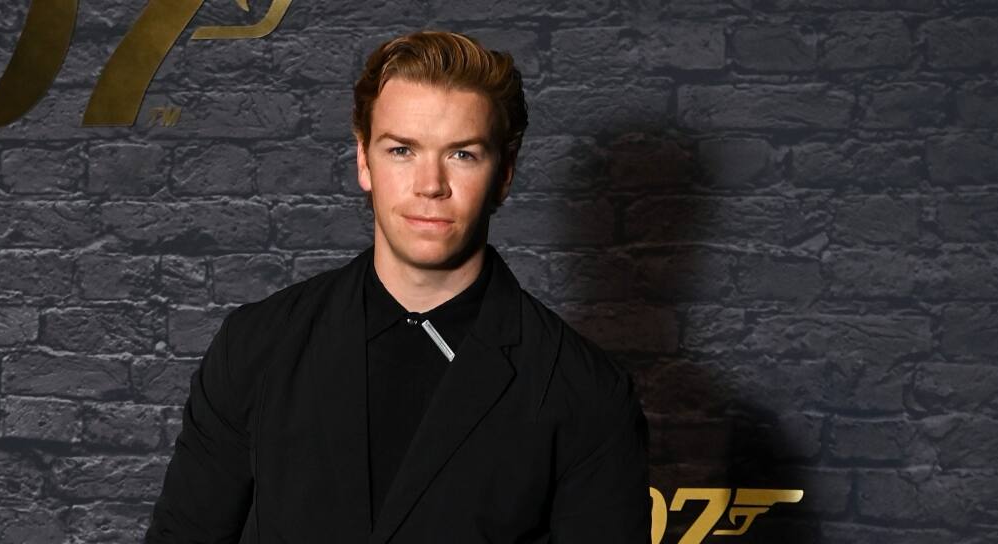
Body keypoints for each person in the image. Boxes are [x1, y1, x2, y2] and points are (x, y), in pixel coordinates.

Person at [145, 30, 650, 543]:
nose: (430, 185)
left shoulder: (586, 393)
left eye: (462, 154)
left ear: (504, 174)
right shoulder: (255, 347)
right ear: (364, 161)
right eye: (403, 150)